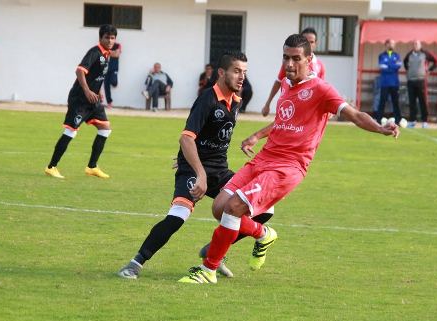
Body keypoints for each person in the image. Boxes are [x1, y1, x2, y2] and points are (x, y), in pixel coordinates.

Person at [177, 34, 399, 284]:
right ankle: (263, 234)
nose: (290, 64)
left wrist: (380, 128)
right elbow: (283, 121)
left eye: (296, 59)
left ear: (309, 59)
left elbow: (355, 115)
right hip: (264, 158)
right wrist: (257, 136)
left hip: (287, 167)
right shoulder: (285, 83)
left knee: (234, 209)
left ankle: (209, 270)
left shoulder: (321, 90)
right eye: (286, 58)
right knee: (219, 207)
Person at [117, 51, 274, 279]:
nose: (242, 77)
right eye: (237, 71)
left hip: (219, 170)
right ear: (222, 72)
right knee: (178, 216)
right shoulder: (207, 99)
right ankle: (134, 264)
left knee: (264, 208)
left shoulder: (236, 101)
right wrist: (196, 170)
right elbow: (186, 137)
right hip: (194, 169)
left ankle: (214, 251)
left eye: (245, 72)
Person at [44, 24, 117, 179]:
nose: (110, 40)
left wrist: (99, 92)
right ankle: (51, 167)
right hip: (80, 100)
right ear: (101, 38)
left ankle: (92, 166)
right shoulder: (95, 52)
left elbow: (98, 76)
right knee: (70, 131)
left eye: (112, 38)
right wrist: (87, 91)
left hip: (93, 100)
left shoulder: (107, 54)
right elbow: (80, 71)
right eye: (107, 37)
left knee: (105, 129)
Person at [261, 27, 325, 117]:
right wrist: (267, 104)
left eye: (311, 42)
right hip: (291, 107)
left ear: (316, 44)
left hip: (309, 111)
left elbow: (321, 90)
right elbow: (279, 81)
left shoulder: (320, 66)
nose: (309, 44)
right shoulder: (289, 63)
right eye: (306, 41)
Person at [403, 40, 437, 128]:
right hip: (411, 81)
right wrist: (409, 71)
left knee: (423, 101)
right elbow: (405, 62)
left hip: (421, 80)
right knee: (412, 101)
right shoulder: (409, 54)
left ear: (420, 45)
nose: (415, 45)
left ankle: (425, 121)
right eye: (414, 44)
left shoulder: (425, 54)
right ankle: (412, 120)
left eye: (417, 44)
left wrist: (429, 70)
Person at [375, 39, 402, 124]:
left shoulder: (397, 55)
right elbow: (382, 67)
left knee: (395, 102)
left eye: (393, 44)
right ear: (386, 44)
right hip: (385, 83)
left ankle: (398, 120)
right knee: (382, 101)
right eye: (390, 43)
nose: (392, 45)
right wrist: (392, 66)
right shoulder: (381, 56)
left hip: (394, 83)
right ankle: (379, 120)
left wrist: (388, 66)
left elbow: (398, 66)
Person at [103, 42, 121, 108]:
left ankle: (114, 84)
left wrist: (108, 52)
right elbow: (102, 54)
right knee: (106, 85)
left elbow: (117, 55)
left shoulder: (117, 45)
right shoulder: (104, 44)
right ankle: (109, 102)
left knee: (114, 82)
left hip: (114, 68)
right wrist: (113, 52)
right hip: (105, 69)